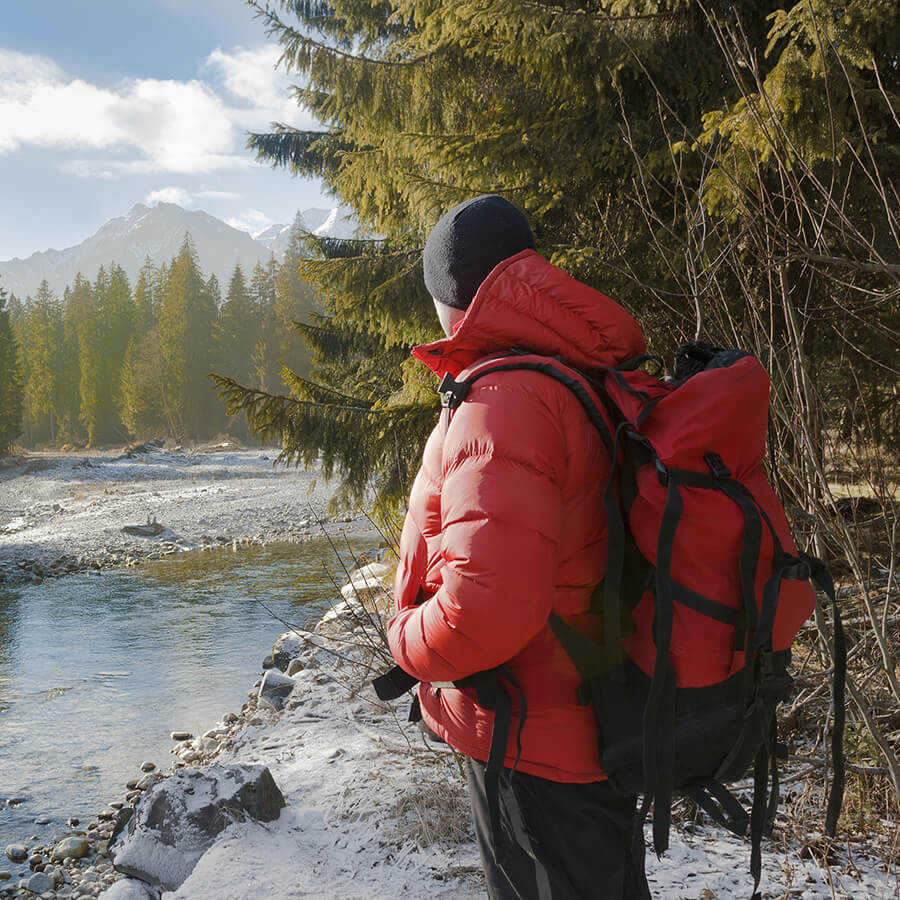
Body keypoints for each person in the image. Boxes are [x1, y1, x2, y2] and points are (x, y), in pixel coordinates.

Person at [386, 194, 652, 899]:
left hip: (534, 740)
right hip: (581, 715)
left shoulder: (504, 400)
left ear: (453, 297)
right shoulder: (566, 370)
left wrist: (403, 640)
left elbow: (487, 610)